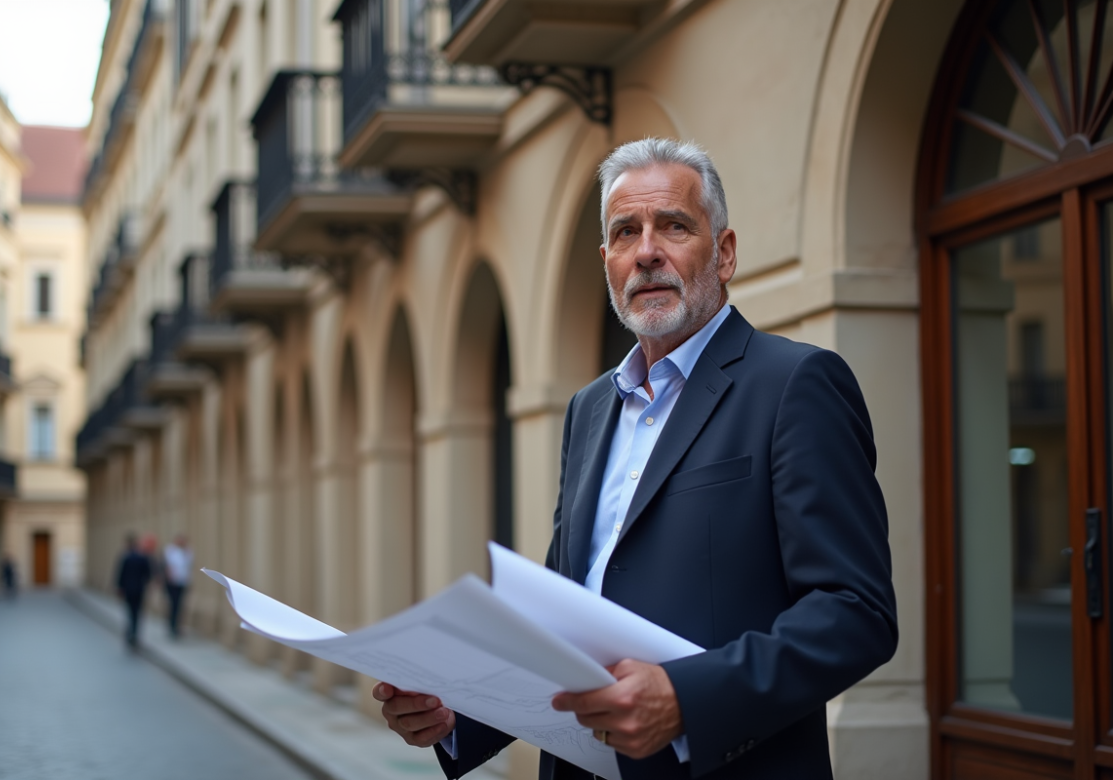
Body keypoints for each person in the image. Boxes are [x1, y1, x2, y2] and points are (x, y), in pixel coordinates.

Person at [374, 138, 898, 779]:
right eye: (625, 232)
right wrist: (460, 711)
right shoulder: (589, 409)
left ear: (724, 252)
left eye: (674, 226)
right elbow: (561, 613)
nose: (646, 251)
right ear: (607, 261)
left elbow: (855, 612)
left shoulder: (797, 384)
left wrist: (686, 700)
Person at [115, 533, 152, 649]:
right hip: (139, 589)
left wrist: (119, 588)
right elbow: (148, 574)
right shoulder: (142, 558)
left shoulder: (125, 557)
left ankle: (129, 633)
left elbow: (120, 574)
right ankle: (135, 634)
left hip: (128, 589)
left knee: (129, 611)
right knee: (137, 612)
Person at [162, 534, 193, 638]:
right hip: (172, 583)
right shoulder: (170, 551)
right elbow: (167, 566)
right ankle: (172, 626)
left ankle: (177, 626)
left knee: (180, 605)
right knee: (173, 604)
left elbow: (189, 566)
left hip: (183, 582)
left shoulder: (188, 551)